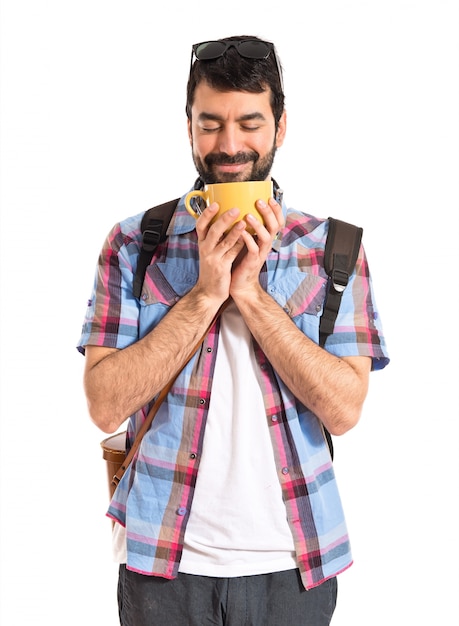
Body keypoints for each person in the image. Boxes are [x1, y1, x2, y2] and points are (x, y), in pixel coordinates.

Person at [78, 35, 389, 626]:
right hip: (162, 566)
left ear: (280, 125)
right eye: (210, 123)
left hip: (295, 567)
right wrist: (205, 295)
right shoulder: (133, 244)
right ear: (189, 127)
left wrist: (248, 292)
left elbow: (345, 411)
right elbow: (103, 403)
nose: (229, 145)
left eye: (250, 122)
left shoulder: (334, 249)